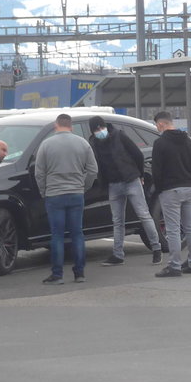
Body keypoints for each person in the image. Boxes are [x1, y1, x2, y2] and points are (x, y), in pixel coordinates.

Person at [87, 115, 162, 266]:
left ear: (105, 126)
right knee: (117, 221)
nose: (99, 131)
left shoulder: (119, 136)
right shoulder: (94, 142)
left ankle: (156, 249)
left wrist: (140, 174)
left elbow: (137, 155)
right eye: (96, 129)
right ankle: (118, 254)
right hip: (113, 185)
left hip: (131, 180)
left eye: (101, 128)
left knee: (144, 215)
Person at [35, 113, 98, 285]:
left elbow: (39, 173)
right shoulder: (83, 143)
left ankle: (57, 275)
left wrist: (44, 191)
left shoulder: (46, 145)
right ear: (71, 126)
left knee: (57, 235)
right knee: (77, 233)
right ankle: (79, 274)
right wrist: (83, 187)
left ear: (56, 125)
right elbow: (93, 170)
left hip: (54, 195)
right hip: (76, 194)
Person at [151, 111, 191, 277]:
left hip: (170, 189)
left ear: (161, 124)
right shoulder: (188, 141)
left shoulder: (160, 143)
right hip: (189, 187)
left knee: (173, 230)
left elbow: (156, 170)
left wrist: (159, 189)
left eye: (157, 125)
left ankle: (174, 266)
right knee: (190, 228)